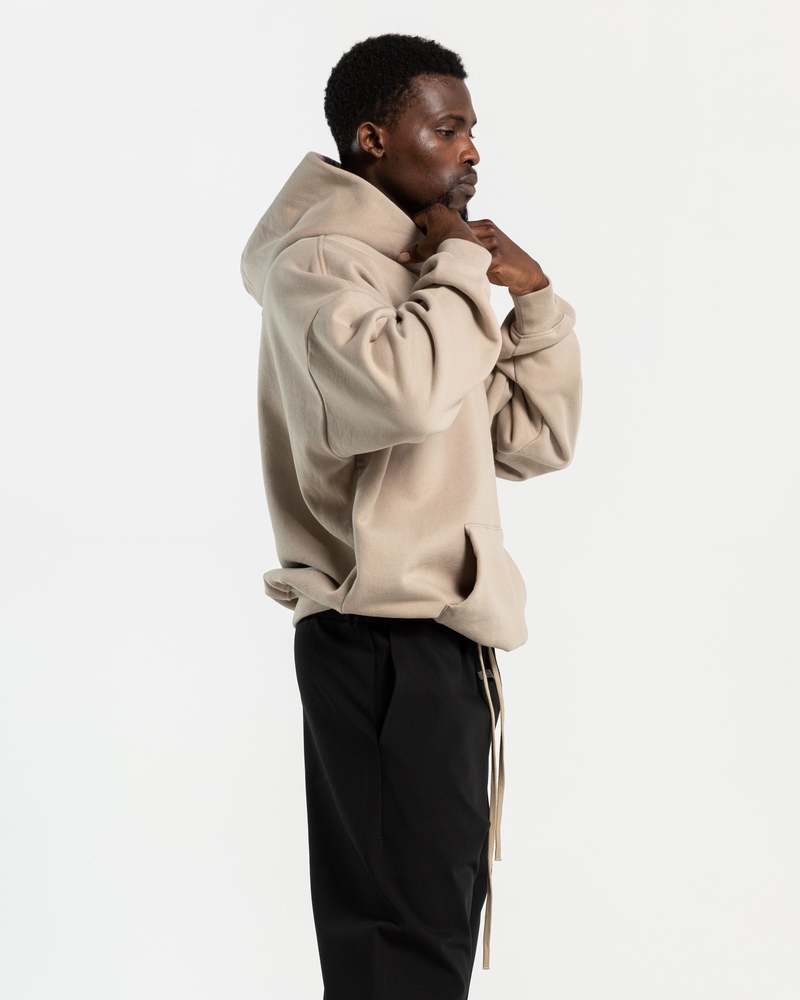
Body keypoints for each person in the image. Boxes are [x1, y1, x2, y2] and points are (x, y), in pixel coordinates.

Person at [240, 31, 582, 1000]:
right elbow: (402, 392)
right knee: (400, 948)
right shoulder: (319, 263)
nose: (471, 151)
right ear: (372, 138)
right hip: (377, 641)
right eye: (447, 128)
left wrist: (534, 302)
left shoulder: (424, 271)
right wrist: (460, 270)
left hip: (441, 644)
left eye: (472, 130)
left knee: (426, 934)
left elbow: (530, 438)